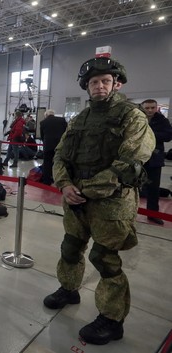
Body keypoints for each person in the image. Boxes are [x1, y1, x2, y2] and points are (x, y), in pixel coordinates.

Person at [44, 56, 155, 345]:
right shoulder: (79, 119)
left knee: (105, 259)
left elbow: (128, 162)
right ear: (87, 86)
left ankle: (111, 319)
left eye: (106, 80)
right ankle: (69, 289)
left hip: (111, 203)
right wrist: (65, 184)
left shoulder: (132, 116)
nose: (99, 86)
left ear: (116, 83)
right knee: (71, 247)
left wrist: (85, 189)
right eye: (94, 82)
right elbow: (60, 155)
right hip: (77, 200)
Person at [140, 99, 172, 225]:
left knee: (153, 189)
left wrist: (149, 134)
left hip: (154, 159)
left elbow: (168, 136)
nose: (149, 110)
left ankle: (152, 214)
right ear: (143, 108)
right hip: (137, 158)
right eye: (147, 108)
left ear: (156, 107)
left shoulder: (162, 120)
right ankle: (127, 213)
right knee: (130, 187)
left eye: (152, 107)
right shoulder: (137, 118)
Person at [39, 109, 67, 185]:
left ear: (46, 115)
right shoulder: (62, 120)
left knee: (47, 163)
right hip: (59, 146)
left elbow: (42, 135)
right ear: (53, 114)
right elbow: (66, 132)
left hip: (48, 145)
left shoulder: (43, 122)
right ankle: (59, 180)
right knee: (59, 163)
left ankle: (47, 181)